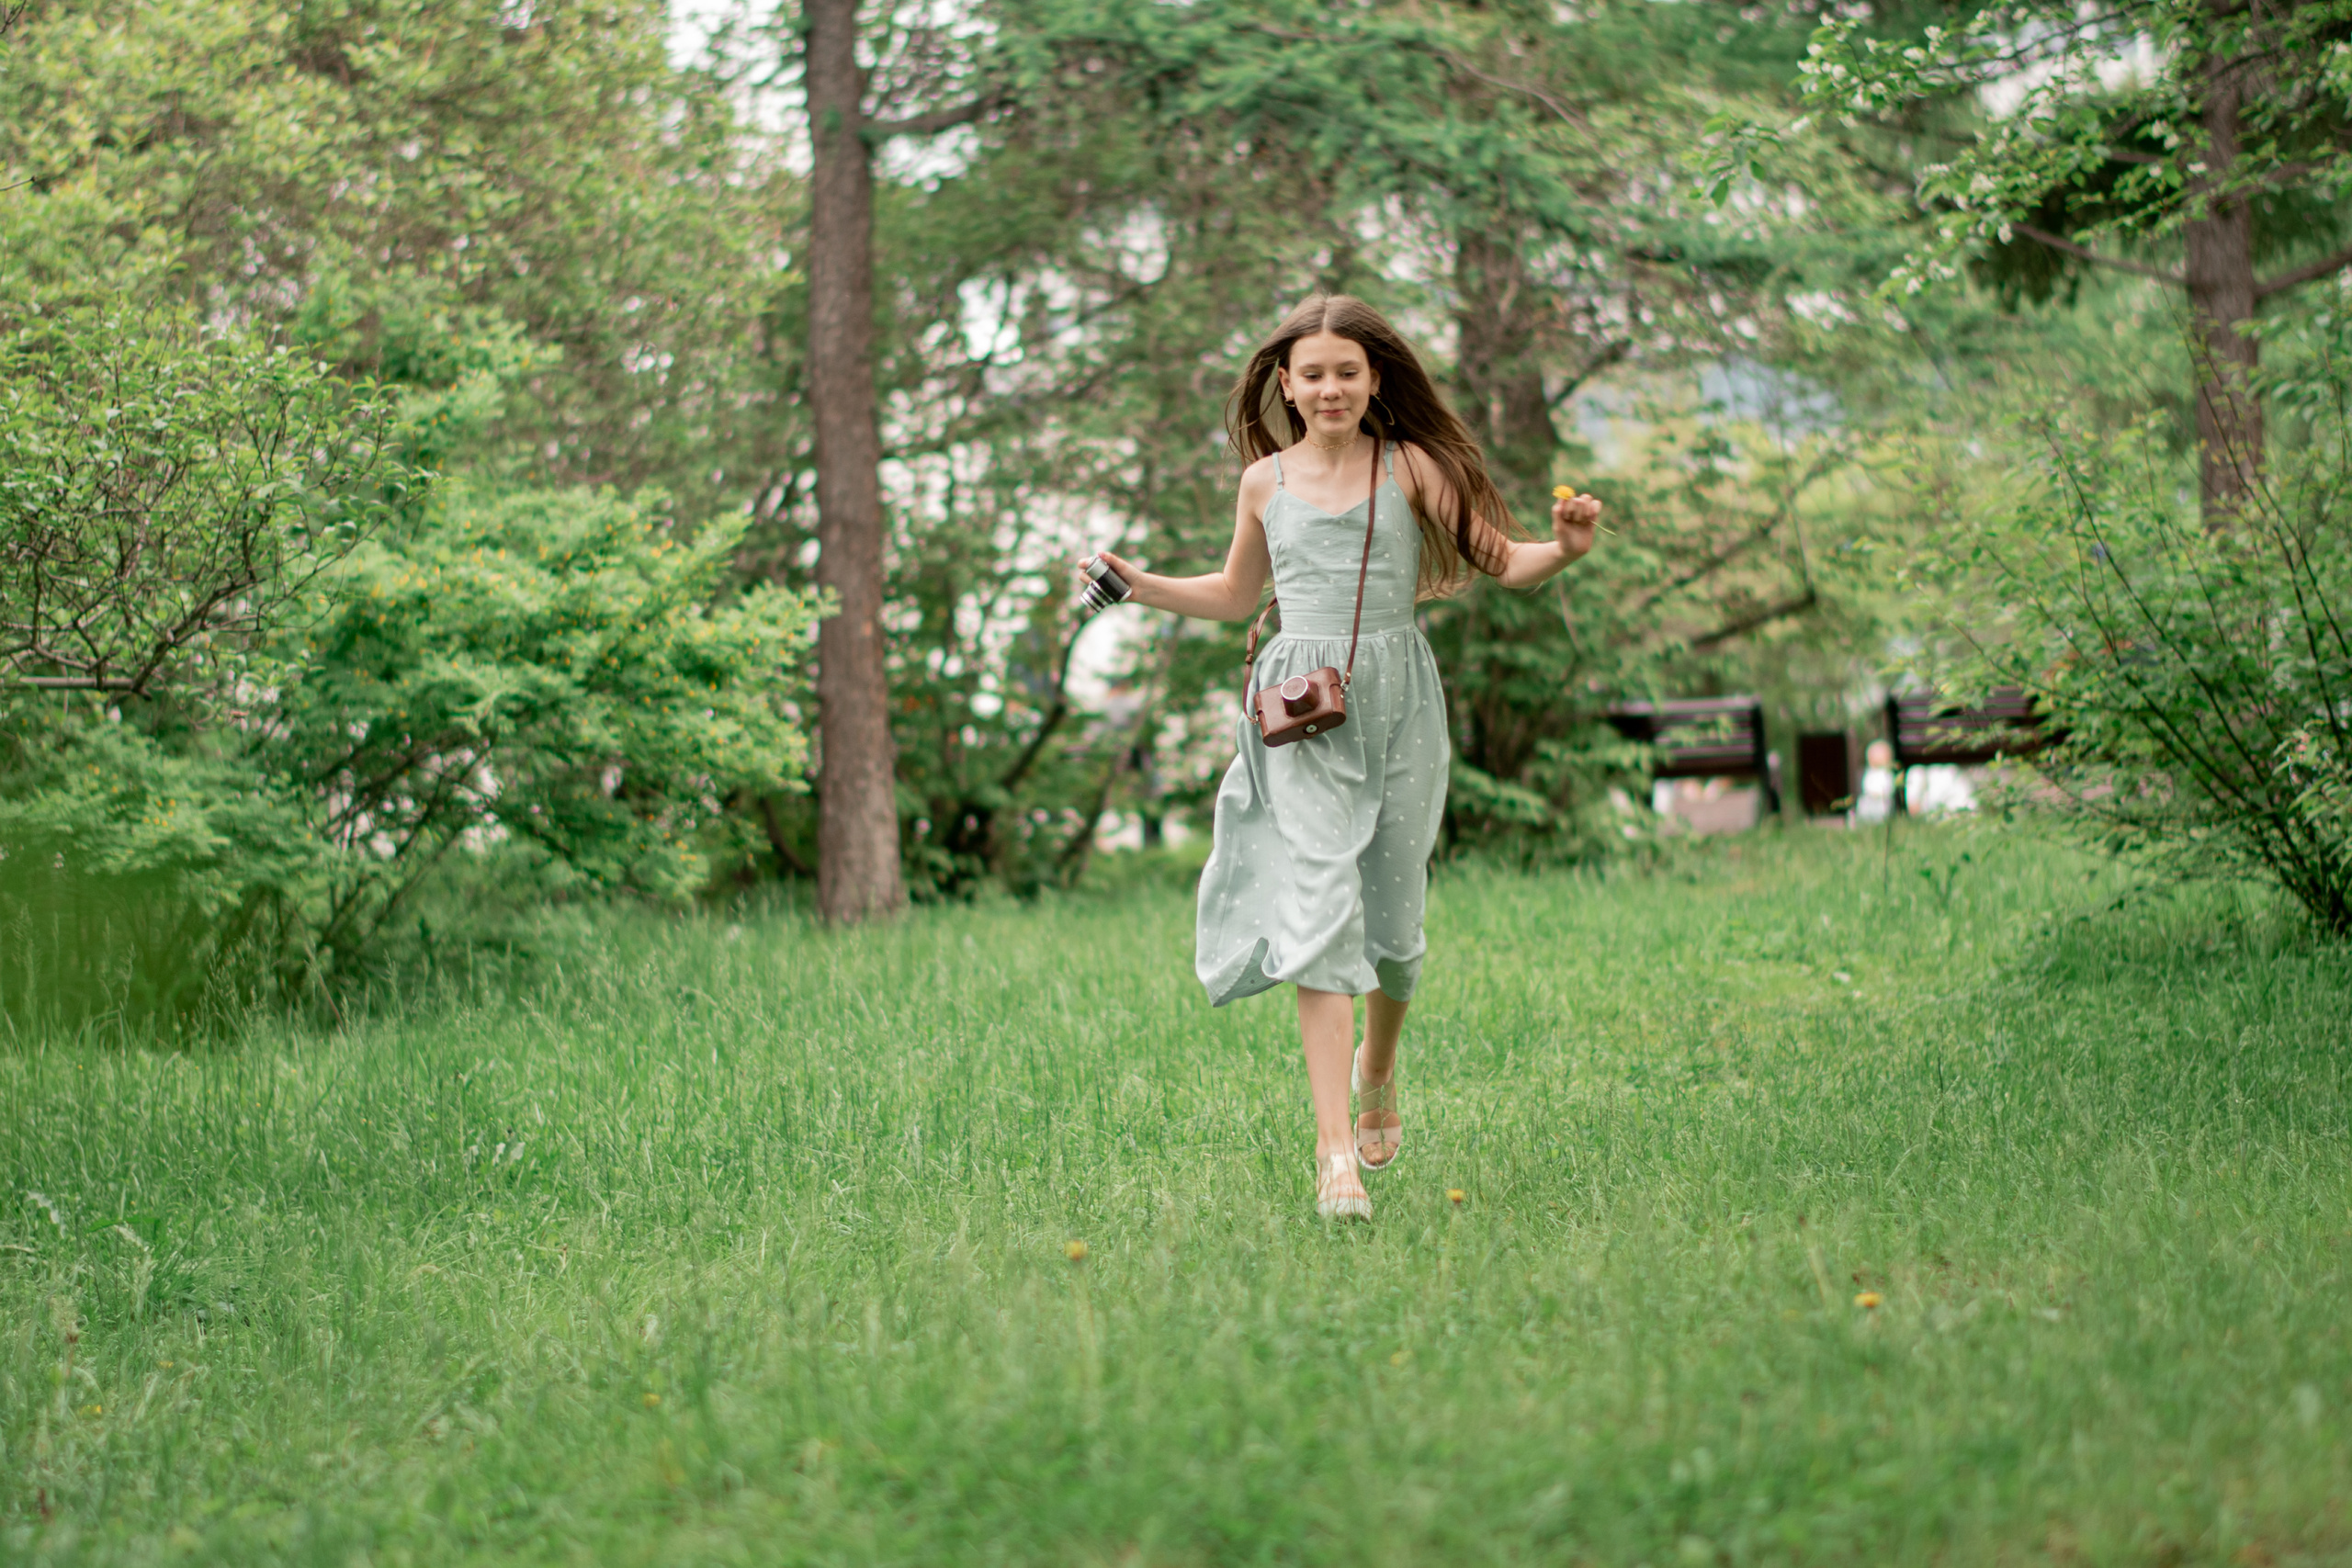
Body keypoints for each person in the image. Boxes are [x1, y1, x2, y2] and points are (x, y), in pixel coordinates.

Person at [1082, 295, 1602, 1221]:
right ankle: (1334, 1161)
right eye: (1312, 374)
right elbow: (1238, 593)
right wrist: (1138, 584)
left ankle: (1378, 1067)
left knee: (1395, 938)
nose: (1329, 388)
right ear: (1285, 383)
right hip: (1302, 710)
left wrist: (1560, 551)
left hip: (1398, 701)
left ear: (1373, 382)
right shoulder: (1263, 483)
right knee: (1319, 912)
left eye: (1346, 373)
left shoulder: (1412, 466)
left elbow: (1501, 560)